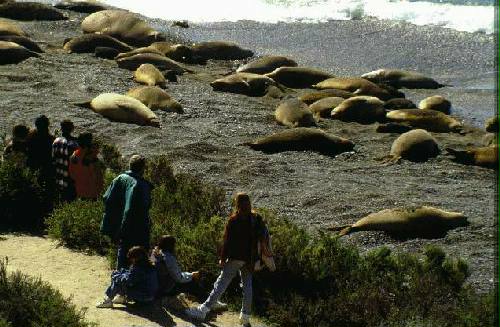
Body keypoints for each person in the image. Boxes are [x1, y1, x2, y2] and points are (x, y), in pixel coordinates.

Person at [185, 193, 266, 327]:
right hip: (250, 258)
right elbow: (262, 237)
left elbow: (227, 242)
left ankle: (203, 310)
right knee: (248, 286)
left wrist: (222, 258)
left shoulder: (234, 220)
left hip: (235, 257)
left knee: (222, 282)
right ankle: (245, 317)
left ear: (237, 204)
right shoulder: (256, 218)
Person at [101, 155, 153, 270]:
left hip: (120, 225)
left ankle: (118, 281)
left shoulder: (119, 178)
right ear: (143, 168)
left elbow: (106, 198)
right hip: (136, 227)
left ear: (130, 165)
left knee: (122, 253)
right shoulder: (141, 185)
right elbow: (144, 207)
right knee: (139, 256)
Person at [68, 132, 104, 200]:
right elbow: (99, 175)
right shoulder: (93, 157)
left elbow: (72, 174)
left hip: (79, 190)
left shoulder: (74, 155)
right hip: (92, 192)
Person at [26, 115, 55, 191]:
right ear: (47, 125)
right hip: (47, 166)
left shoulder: (29, 136)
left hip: (33, 165)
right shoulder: (51, 139)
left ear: (36, 125)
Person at [52, 120, 78, 201]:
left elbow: (53, 158)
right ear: (72, 129)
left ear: (61, 128)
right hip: (70, 177)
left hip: (59, 175)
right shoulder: (75, 143)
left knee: (61, 198)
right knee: (71, 199)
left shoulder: (56, 141)